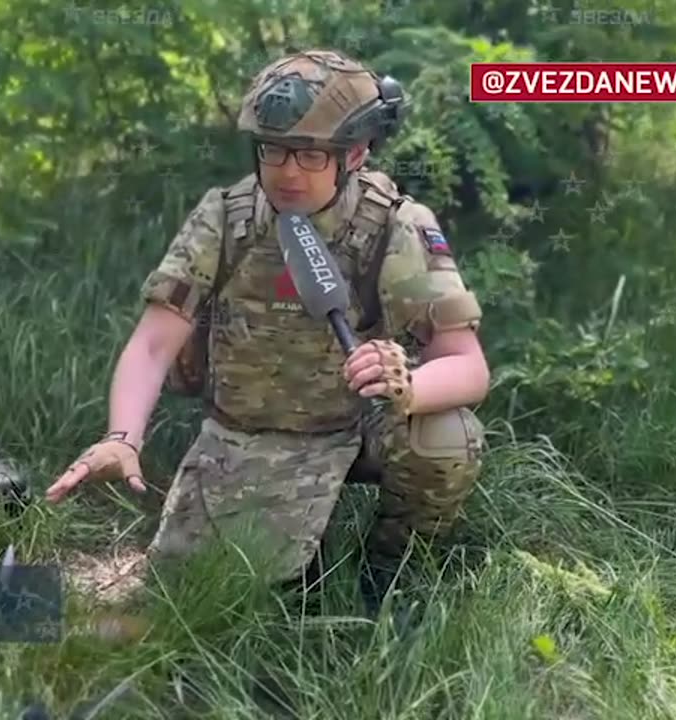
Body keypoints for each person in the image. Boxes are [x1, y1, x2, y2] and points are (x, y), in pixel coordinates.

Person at [45, 49, 489, 614]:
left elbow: (468, 366)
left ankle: (393, 576)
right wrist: (121, 438)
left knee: (449, 435)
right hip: (245, 427)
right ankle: (304, 551)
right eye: (272, 150)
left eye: (308, 154)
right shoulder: (227, 218)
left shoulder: (396, 225)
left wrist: (406, 385)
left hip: (354, 426)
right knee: (201, 601)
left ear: (354, 152)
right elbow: (155, 341)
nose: (287, 171)